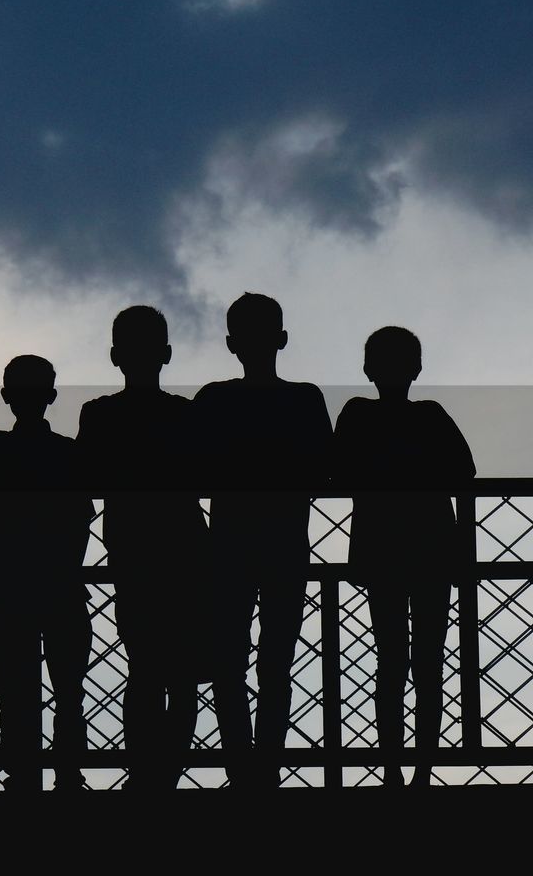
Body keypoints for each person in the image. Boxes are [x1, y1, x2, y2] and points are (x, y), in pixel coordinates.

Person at [193, 293, 332, 789]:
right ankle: (266, 769)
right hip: (284, 542)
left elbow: (193, 467)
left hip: (229, 545)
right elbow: (325, 470)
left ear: (231, 345)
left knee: (230, 662)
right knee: (276, 662)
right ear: (283, 339)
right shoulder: (304, 399)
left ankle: (242, 768)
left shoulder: (213, 400)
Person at [0, 356, 93, 792]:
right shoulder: (70, 454)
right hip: (63, 585)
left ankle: (24, 776)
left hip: (8, 589)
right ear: (52, 397)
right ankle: (68, 776)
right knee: (69, 691)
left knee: (16, 689)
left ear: (6, 397)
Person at [332, 326, 475, 788]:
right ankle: (418, 771)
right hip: (430, 547)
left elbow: (340, 471)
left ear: (368, 368)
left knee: (392, 659)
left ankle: (397, 768)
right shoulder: (429, 416)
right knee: (424, 661)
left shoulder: (357, 415)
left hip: (383, 549)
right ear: (417, 368)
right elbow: (463, 471)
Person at [77, 306, 208, 791]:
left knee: (146, 666)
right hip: (185, 546)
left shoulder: (100, 414)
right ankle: (167, 772)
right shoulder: (185, 414)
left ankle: (145, 772)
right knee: (181, 671)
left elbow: (84, 479)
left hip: (133, 548)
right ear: (167, 354)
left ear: (115, 356)